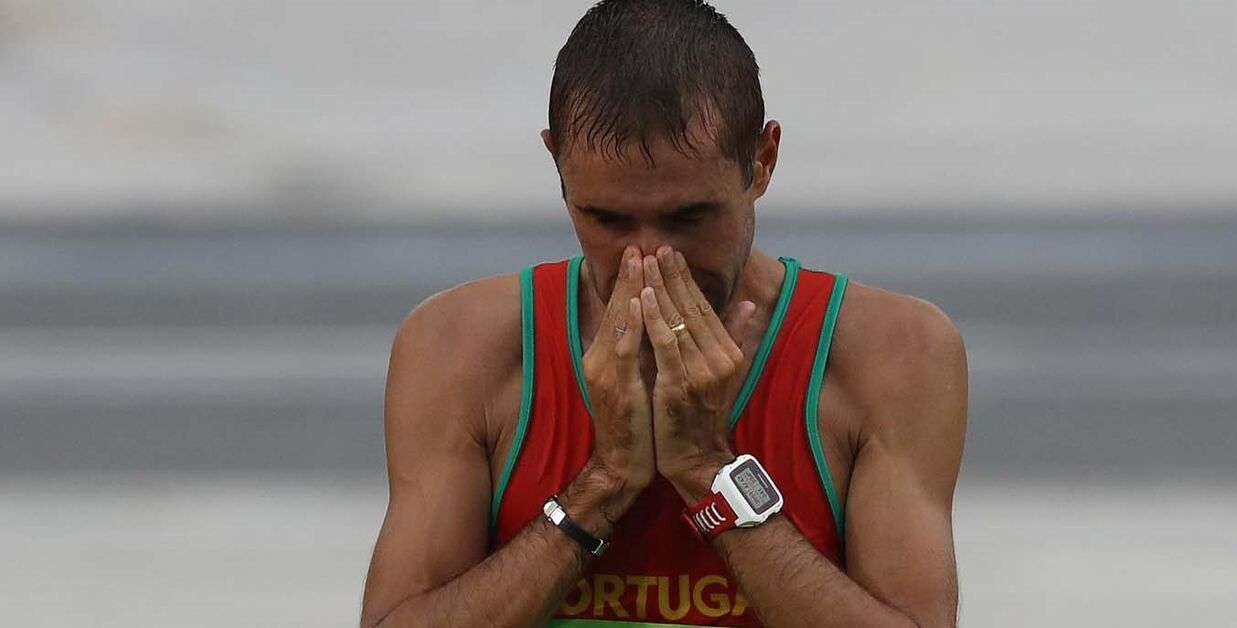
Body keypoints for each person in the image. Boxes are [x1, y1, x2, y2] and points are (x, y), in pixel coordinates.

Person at [360, 1, 967, 626]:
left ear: (762, 161)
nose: (647, 260)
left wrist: (709, 470)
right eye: (608, 220)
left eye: (688, 217)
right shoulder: (459, 347)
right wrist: (603, 483)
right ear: (557, 166)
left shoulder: (893, 352)